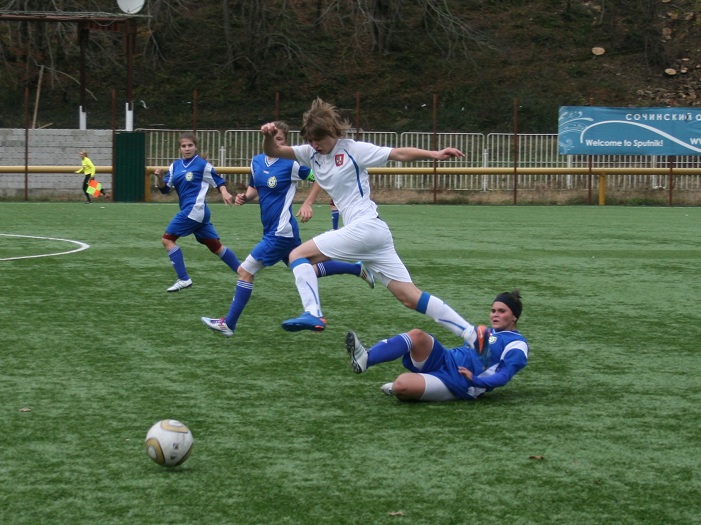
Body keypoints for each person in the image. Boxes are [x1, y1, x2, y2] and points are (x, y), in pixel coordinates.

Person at [260, 97, 481, 348]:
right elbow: (273, 151)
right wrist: (268, 135)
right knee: (409, 297)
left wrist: (434, 154)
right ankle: (472, 334)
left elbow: (397, 153)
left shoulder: (353, 150)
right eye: (309, 140)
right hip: (373, 233)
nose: (313, 144)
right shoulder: (310, 153)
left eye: (318, 139)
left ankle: (313, 313)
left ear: (331, 132)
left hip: (365, 228)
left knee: (297, 255)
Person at [201, 121, 374, 337]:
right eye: (272, 137)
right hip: (276, 231)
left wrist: (308, 202)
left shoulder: (290, 164)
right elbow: (254, 189)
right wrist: (245, 197)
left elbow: (318, 177)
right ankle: (357, 269)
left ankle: (229, 324)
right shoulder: (256, 162)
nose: (275, 141)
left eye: (280, 138)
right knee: (305, 267)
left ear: (285, 141)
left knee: (245, 271)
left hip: (280, 233)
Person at [345, 289, 528, 401]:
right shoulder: (485, 332)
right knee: (417, 335)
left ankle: (407, 386)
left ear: (514, 316)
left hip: (460, 382)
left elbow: (504, 375)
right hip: (447, 358)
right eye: (493, 310)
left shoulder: (517, 344)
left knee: (401, 385)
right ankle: (365, 358)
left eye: (502, 311)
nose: (495, 314)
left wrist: (476, 380)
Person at [155, 131, 241, 293]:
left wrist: (224, 192)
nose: (187, 148)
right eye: (184, 146)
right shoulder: (175, 166)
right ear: (180, 148)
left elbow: (218, 180)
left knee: (167, 240)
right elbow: (165, 189)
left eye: (190, 145)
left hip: (194, 210)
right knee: (215, 246)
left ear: (195, 147)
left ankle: (184, 279)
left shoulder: (202, 165)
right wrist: (160, 177)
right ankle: (243, 272)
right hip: (198, 214)